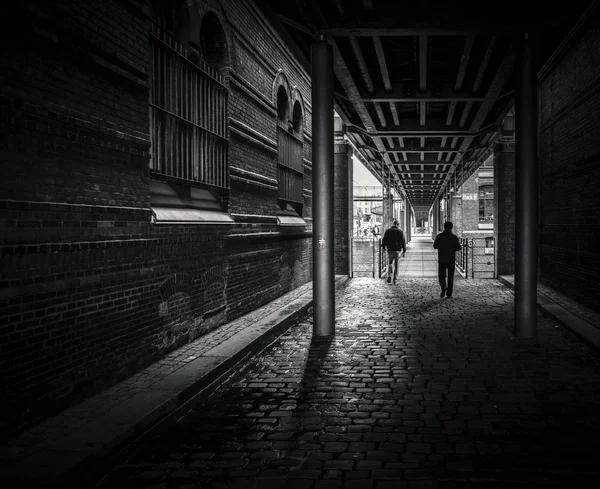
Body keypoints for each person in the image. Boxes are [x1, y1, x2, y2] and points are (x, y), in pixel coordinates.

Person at [433, 221, 462, 298]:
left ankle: (443, 286)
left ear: (444, 227)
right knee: (450, 276)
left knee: (441, 276)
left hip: (442, 259)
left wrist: (442, 247)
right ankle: (449, 293)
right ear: (451, 227)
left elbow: (435, 246)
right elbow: (459, 248)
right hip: (451, 260)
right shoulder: (454, 237)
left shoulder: (439, 236)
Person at [381, 219, 406, 284]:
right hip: (397, 250)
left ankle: (389, 276)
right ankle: (395, 279)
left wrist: (383, 247)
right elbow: (403, 242)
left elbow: (384, 240)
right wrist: (404, 250)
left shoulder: (387, 231)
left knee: (390, 263)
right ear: (398, 224)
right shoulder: (400, 231)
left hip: (390, 250)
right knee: (396, 265)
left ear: (393, 224)